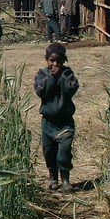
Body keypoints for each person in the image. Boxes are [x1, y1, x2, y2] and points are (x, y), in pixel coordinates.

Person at [34, 42, 79, 193]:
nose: (55, 64)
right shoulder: (42, 75)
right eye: (51, 61)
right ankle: (53, 177)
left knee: (64, 151)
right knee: (49, 151)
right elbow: (41, 92)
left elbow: (71, 89)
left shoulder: (67, 74)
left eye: (58, 61)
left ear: (63, 61)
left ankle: (65, 179)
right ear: (46, 60)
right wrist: (51, 79)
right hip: (48, 122)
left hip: (65, 122)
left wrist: (60, 77)